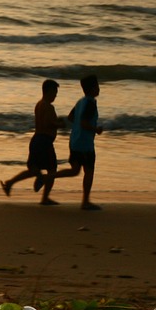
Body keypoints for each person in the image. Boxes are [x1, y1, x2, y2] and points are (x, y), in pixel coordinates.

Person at [1, 79, 63, 205]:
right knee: (52, 170)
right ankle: (45, 197)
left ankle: (10, 183)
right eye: (55, 92)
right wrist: (59, 124)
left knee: (33, 170)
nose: (56, 95)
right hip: (45, 141)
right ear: (48, 91)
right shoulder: (48, 106)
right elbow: (47, 123)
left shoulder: (39, 104)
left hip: (37, 140)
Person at [54, 74, 104, 210]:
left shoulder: (80, 102)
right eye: (97, 86)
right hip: (85, 144)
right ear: (93, 89)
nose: (99, 89)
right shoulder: (91, 104)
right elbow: (83, 122)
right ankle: (85, 201)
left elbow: (70, 118)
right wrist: (96, 129)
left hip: (74, 141)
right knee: (89, 171)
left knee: (75, 170)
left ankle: (50, 177)